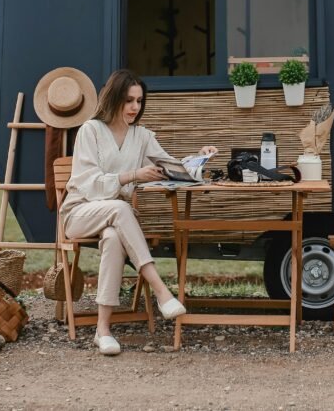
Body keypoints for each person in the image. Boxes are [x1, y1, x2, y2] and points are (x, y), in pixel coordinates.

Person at [60, 69, 218, 355]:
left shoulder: (141, 136)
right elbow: (89, 184)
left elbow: (172, 167)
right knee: (121, 208)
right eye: (128, 100)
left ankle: (102, 330)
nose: (134, 107)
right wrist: (133, 175)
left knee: (113, 237)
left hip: (115, 221)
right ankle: (161, 291)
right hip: (79, 213)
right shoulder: (90, 130)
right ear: (114, 99)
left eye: (139, 101)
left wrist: (200, 157)